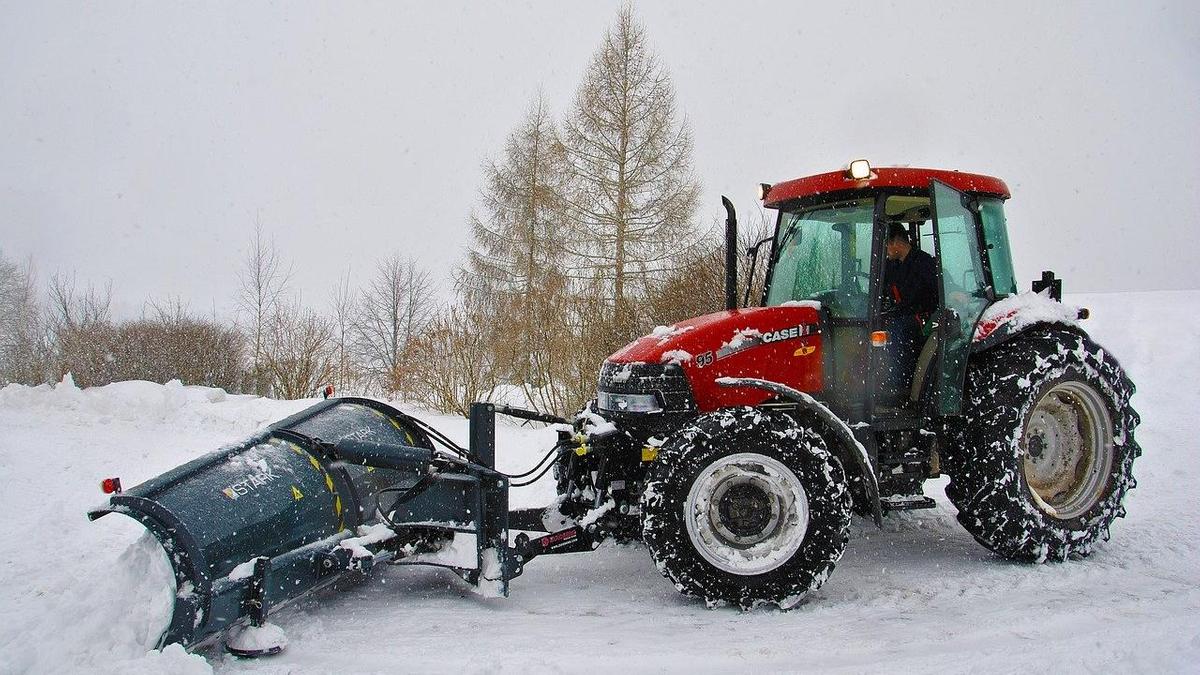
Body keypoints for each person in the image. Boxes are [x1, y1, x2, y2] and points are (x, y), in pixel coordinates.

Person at [881, 222, 937, 397]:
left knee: (896, 330)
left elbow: (936, 291)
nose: (886, 251)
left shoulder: (924, 263)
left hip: (923, 317)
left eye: (887, 246)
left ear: (896, 243)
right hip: (901, 313)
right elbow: (883, 288)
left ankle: (899, 384)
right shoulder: (893, 265)